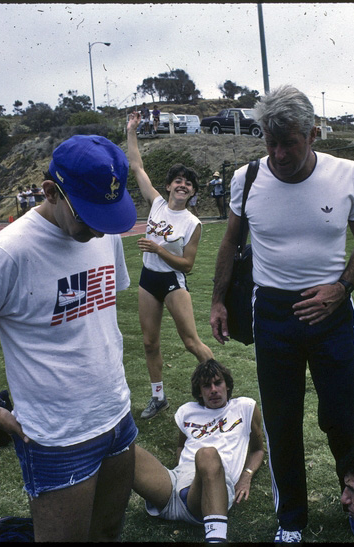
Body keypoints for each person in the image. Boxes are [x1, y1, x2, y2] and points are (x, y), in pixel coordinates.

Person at [0, 134, 139, 542]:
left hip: (116, 416)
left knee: (109, 530)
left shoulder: (104, 231)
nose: (97, 230)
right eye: (87, 217)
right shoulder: (7, 253)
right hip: (57, 438)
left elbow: (98, 317)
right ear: (51, 192)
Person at [209, 85, 354, 542]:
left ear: (314, 134)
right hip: (273, 315)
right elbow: (229, 242)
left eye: (290, 142)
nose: (279, 153)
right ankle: (291, 522)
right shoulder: (246, 179)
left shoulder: (346, 174)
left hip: (331, 314)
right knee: (282, 424)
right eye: (270, 142)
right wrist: (218, 299)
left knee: (342, 420)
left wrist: (340, 289)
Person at [126, 111, 215, 420]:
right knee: (150, 342)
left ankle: (217, 390)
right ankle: (158, 397)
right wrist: (131, 131)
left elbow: (187, 266)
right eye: (178, 180)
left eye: (188, 183)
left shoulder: (193, 223)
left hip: (172, 282)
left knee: (191, 341)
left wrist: (158, 249)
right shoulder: (157, 204)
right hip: (148, 280)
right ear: (167, 186)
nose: (183, 185)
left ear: (192, 192)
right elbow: (136, 166)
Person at [132, 359, 265, 543]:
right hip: (176, 484)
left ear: (227, 386)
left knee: (207, 454)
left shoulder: (245, 407)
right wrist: (186, 473)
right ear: (200, 393)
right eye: (206, 386)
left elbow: (258, 450)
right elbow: (181, 446)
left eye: (218, 383)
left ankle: (216, 539)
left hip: (212, 487)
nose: (213, 390)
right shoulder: (187, 411)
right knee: (127, 451)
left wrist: (246, 476)